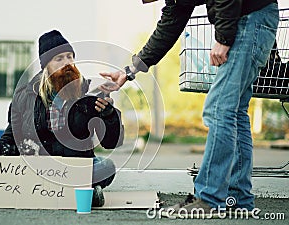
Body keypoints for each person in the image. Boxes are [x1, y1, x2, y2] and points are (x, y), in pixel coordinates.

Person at [101, 0, 279, 217]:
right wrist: (130, 71)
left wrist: (223, 37)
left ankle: (210, 198)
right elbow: (171, 23)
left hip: (250, 21)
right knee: (234, 111)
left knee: (218, 109)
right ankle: (237, 198)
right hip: (253, 21)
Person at [0, 30, 124, 207]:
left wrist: (109, 115)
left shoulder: (89, 93)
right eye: (59, 59)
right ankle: (84, 191)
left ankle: (73, 188)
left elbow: (112, 143)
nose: (67, 63)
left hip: (74, 167)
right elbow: (11, 140)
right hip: (35, 168)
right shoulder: (24, 95)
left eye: (70, 57)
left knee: (106, 167)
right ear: (46, 66)